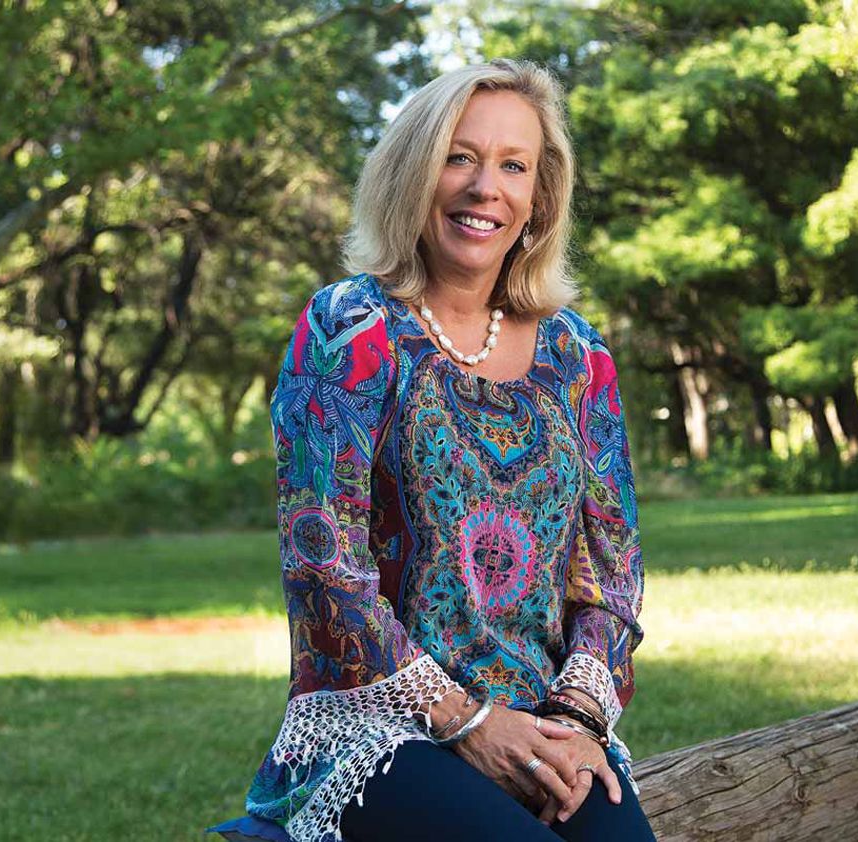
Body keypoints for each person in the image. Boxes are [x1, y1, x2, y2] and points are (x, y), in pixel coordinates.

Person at [207, 58, 654, 842]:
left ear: (539, 198)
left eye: (513, 165)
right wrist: (468, 720)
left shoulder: (580, 357)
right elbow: (324, 569)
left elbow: (611, 578)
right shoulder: (350, 330)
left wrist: (578, 724)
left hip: (545, 725)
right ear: (415, 174)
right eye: (460, 157)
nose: (487, 188)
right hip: (377, 725)